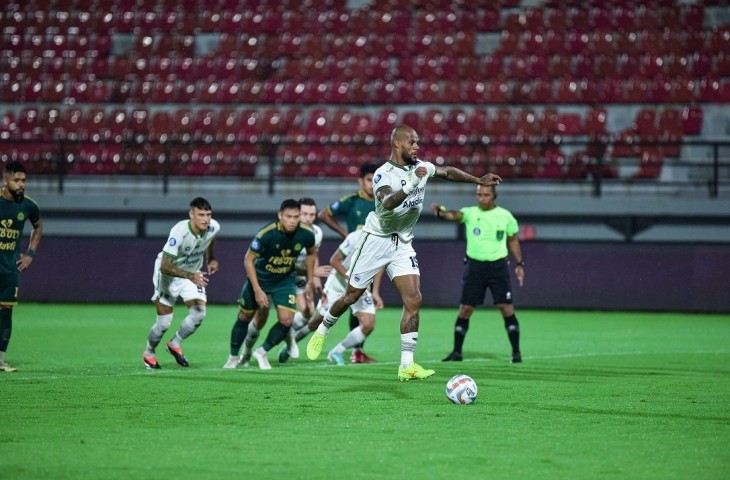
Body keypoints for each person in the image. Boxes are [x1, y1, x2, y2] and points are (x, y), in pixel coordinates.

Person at [305, 124, 502, 381]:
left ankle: (406, 364)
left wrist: (478, 179)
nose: (417, 147)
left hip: (402, 243)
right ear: (397, 144)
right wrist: (412, 184)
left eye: (418, 142)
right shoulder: (382, 174)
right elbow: (388, 201)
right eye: (412, 142)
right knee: (351, 295)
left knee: (414, 299)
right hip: (376, 239)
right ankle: (323, 329)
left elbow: (447, 172)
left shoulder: (421, 166)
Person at [432, 184, 525, 364]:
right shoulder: (470, 213)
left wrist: (519, 263)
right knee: (465, 309)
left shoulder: (505, 216)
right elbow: (455, 215)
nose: (482, 198)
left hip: (498, 267)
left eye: (486, 195)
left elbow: (513, 240)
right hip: (475, 267)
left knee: (506, 308)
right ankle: (457, 352)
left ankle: (516, 353)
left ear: (494, 196)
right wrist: (442, 214)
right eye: (479, 195)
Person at [224, 199, 317, 370]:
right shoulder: (267, 233)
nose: (292, 221)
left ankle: (262, 351)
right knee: (245, 317)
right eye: (288, 216)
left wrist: (311, 280)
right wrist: (258, 289)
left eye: (296, 217)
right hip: (261, 280)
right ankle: (233, 357)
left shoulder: (306, 233)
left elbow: (312, 253)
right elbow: (249, 259)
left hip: (284, 280)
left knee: (287, 320)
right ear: (280, 216)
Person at [283, 227, 383, 365]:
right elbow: (334, 260)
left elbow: (380, 266)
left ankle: (337, 351)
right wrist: (351, 279)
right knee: (316, 322)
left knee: (368, 324)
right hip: (338, 284)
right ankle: (291, 342)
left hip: (361, 286)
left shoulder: (386, 241)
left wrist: (375, 291)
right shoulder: (355, 237)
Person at [142, 197, 220, 369]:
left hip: (192, 273)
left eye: (208, 214)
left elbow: (211, 238)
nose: (205, 219)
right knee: (164, 323)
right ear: (191, 214)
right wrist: (189, 276)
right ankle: (149, 353)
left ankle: (175, 343)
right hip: (169, 275)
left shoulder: (213, 226)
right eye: (201, 215)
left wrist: (211, 257)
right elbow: (165, 266)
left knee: (199, 313)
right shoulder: (179, 232)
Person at [318, 163, 379, 363]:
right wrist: (346, 235)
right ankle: (352, 350)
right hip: (350, 260)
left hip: (371, 260)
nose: (372, 184)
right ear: (360, 181)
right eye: (369, 179)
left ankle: (356, 351)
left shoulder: (383, 203)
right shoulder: (352, 201)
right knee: (347, 304)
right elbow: (323, 214)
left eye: (376, 180)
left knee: (360, 307)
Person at [0, 162, 42, 373]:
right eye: (16, 180)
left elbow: (38, 226)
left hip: (9, 269)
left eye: (23, 180)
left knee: (6, 312)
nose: (21, 184)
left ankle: (0, 360)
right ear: (5, 180)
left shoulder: (28, 206)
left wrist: (30, 255)